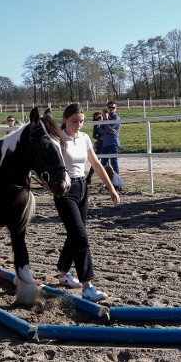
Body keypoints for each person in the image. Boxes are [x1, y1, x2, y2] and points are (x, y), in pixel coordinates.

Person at [54, 103, 120, 302]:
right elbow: (44, 164)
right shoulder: (58, 139)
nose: (78, 125)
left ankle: (64, 273)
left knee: (76, 232)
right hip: (65, 190)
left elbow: (96, 163)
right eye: (74, 121)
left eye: (81, 121)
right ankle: (87, 286)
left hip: (82, 187)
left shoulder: (84, 138)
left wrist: (111, 187)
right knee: (80, 236)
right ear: (65, 119)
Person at [98, 101, 121, 175]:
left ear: (116, 109)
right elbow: (100, 130)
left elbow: (108, 129)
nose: (111, 109)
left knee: (114, 163)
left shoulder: (116, 118)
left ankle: (117, 182)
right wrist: (108, 130)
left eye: (113, 107)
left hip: (113, 143)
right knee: (104, 164)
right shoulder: (103, 118)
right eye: (109, 107)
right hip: (105, 144)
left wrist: (106, 120)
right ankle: (106, 181)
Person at [85, 110, 104, 184]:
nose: (99, 119)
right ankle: (89, 176)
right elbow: (94, 135)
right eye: (97, 118)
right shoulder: (96, 125)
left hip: (106, 143)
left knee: (106, 161)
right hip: (100, 144)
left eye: (100, 117)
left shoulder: (106, 122)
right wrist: (99, 139)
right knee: (95, 161)